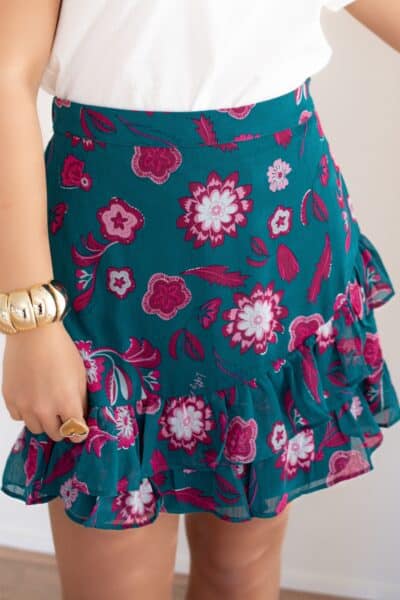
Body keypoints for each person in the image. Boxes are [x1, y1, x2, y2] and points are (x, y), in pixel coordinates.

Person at [0, 1, 399, 599]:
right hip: (111, 266)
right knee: (116, 581)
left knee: (244, 566)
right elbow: (5, 78)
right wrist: (28, 319)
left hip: (276, 247)